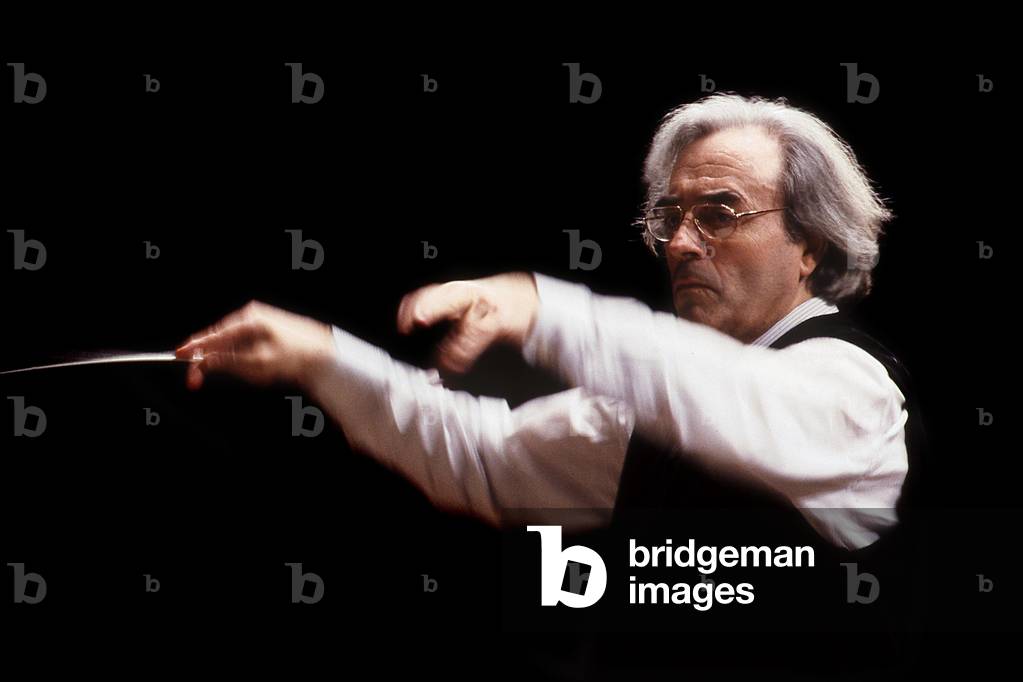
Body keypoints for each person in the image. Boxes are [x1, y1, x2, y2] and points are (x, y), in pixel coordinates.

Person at [175, 93, 919, 553]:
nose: (682, 243)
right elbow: (488, 461)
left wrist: (544, 308)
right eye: (670, 217)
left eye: (720, 213)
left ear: (808, 246)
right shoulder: (650, 410)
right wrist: (321, 358)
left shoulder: (850, 389)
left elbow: (741, 405)